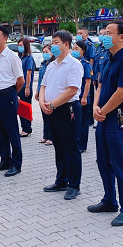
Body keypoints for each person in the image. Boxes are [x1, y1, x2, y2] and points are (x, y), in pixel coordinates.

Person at [87, 20, 123, 227]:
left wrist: (103, 111)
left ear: (121, 37)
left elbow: (122, 93)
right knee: (103, 161)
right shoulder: (107, 57)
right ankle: (109, 200)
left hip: (119, 118)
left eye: (109, 33)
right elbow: (99, 84)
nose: (104, 35)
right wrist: (95, 107)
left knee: (120, 164)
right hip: (104, 115)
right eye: (104, 32)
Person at [40, 30, 84, 200]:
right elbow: (43, 85)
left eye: (57, 42)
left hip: (68, 109)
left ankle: (74, 185)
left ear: (66, 44)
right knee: (58, 146)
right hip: (51, 110)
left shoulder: (74, 65)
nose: (53, 45)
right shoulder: (51, 65)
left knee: (71, 148)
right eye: (53, 42)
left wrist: (52, 104)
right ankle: (61, 180)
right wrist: (42, 103)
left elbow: (72, 90)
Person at [0, 26, 25, 177]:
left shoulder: (12, 57)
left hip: (7, 96)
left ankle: (16, 164)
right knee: (0, 130)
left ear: (5, 38)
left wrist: (11, 93)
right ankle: (5, 159)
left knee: (11, 130)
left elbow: (20, 80)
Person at [72, 40, 93, 153]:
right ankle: (76, 142)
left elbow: (88, 82)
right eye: (73, 48)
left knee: (83, 122)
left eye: (77, 49)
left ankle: (82, 145)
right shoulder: (72, 62)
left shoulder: (85, 63)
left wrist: (84, 97)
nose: (74, 51)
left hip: (82, 97)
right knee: (75, 122)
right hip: (74, 97)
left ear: (83, 51)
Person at [36, 44, 55, 145]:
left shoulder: (53, 64)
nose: (45, 54)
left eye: (46, 52)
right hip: (42, 93)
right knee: (44, 116)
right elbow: (40, 80)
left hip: (49, 93)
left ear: (52, 53)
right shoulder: (43, 64)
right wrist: (37, 92)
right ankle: (45, 136)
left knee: (50, 116)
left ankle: (51, 137)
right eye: (43, 52)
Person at [17, 37, 35, 137]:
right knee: (20, 108)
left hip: (25, 86)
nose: (19, 47)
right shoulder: (19, 58)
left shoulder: (29, 58)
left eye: (21, 45)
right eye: (18, 45)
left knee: (25, 108)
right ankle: (24, 127)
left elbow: (28, 73)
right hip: (19, 86)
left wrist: (27, 87)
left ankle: (27, 128)